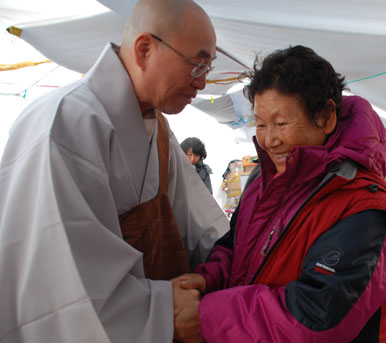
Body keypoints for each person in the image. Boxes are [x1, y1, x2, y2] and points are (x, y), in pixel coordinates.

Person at [0, 0, 228, 342]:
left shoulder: (161, 133)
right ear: (144, 49)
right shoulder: (65, 120)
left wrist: (229, 267)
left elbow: (204, 230)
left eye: (208, 69)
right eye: (197, 65)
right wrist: (164, 309)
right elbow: (62, 280)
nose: (202, 84)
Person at [178, 45, 386, 342]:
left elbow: (318, 318)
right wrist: (205, 278)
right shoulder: (263, 182)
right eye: (260, 124)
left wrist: (207, 317)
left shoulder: (366, 210)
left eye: (281, 123)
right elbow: (236, 250)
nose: (269, 140)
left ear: (325, 117)